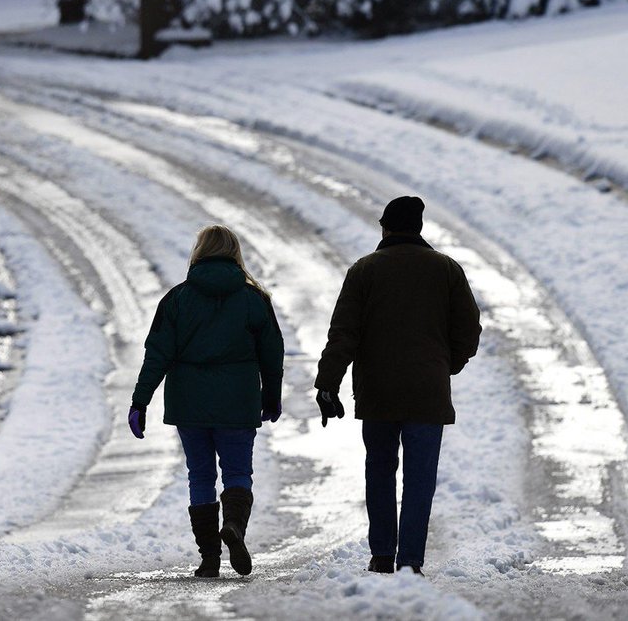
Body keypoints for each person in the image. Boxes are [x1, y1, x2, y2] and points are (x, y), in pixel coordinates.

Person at [314, 196, 481, 575]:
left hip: (378, 392)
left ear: (386, 227)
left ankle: (381, 555)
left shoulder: (364, 271)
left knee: (380, 469)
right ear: (419, 229)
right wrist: (445, 365)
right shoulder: (447, 270)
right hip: (428, 390)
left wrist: (328, 383)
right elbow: (468, 331)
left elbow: (343, 334)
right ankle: (410, 561)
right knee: (420, 479)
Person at [129, 225, 284, 579]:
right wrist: (271, 395)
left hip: (189, 402)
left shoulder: (178, 299)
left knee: (199, 476)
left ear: (199, 252)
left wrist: (141, 401)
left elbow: (157, 354)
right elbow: (272, 352)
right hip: (238, 401)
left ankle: (210, 559)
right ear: (235, 253)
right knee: (237, 473)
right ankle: (234, 526)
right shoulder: (253, 299)